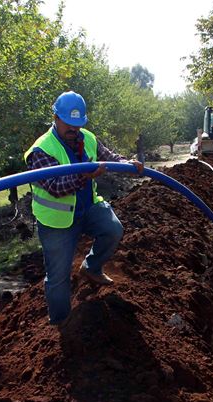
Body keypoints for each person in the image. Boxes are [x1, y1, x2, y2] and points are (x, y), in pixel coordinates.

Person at [24, 91, 144, 325]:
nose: (73, 129)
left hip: (88, 208)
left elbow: (108, 156)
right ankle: (61, 322)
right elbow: (56, 187)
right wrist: (85, 176)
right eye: (68, 123)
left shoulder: (87, 137)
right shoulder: (41, 150)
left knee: (113, 230)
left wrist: (125, 163)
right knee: (58, 278)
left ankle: (91, 267)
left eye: (77, 124)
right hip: (56, 221)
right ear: (56, 118)